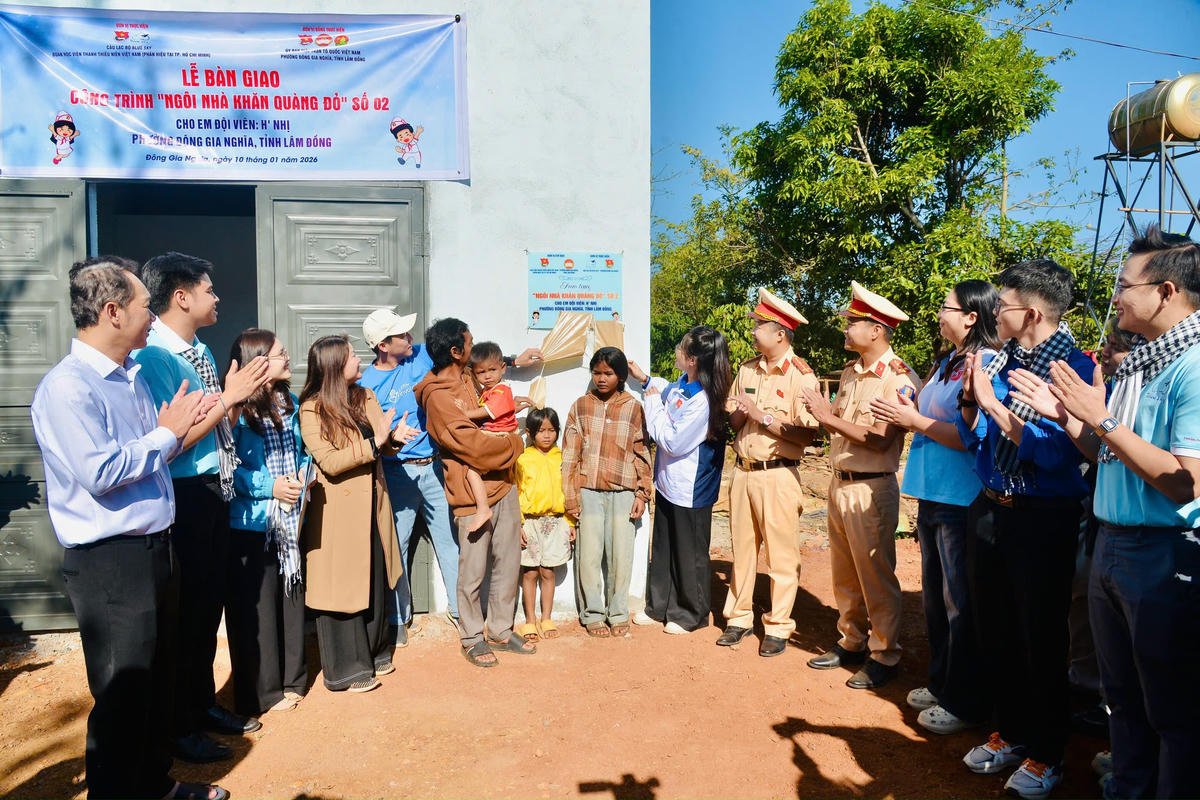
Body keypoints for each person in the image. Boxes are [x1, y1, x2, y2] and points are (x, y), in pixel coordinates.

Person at [1006, 227, 1200, 799]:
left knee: (1170, 707)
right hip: (1113, 544)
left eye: (1124, 284)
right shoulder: (1144, 362)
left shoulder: (1192, 366)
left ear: (1165, 291)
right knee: (1123, 698)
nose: (1114, 296)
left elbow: (1186, 482)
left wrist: (1102, 417)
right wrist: (1070, 417)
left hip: (1161, 554)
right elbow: (1106, 453)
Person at [31, 256, 227, 800]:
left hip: (154, 549)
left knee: (157, 683)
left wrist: (179, 430)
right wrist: (167, 435)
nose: (152, 317)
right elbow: (100, 472)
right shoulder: (68, 388)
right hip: (111, 562)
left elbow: (153, 455)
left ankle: (154, 785)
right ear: (113, 312)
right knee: (124, 695)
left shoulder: (133, 376)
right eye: (145, 306)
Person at [952, 259, 1094, 799]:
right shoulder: (1002, 359)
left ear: (1031, 312)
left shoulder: (1076, 368)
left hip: (1042, 518)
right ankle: (1010, 732)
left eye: (1003, 303)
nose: (994, 311)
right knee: (996, 628)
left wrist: (993, 405)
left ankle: (1047, 752)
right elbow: (976, 437)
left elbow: (1059, 455)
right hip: (991, 506)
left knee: (1040, 636)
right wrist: (974, 401)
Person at [134, 252, 269, 763]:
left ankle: (201, 704)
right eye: (209, 290)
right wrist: (229, 398)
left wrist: (235, 399)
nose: (217, 298)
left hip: (215, 486)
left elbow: (216, 427)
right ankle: (179, 724)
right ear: (182, 297)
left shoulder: (202, 351)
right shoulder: (156, 357)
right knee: (185, 615)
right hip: (185, 493)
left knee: (207, 608)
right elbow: (172, 442)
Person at [869, 280, 999, 730]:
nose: (939, 314)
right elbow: (930, 416)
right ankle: (943, 682)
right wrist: (912, 406)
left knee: (959, 602)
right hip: (931, 492)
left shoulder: (985, 364)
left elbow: (970, 435)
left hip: (960, 497)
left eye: (947, 307)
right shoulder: (947, 361)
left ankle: (963, 699)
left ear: (971, 317)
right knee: (936, 599)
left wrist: (914, 419)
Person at [802, 281, 920, 689]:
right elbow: (840, 424)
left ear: (876, 330)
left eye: (853, 322)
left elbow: (882, 439)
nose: (846, 328)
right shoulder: (852, 372)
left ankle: (885, 653)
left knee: (875, 574)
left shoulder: (898, 378)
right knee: (845, 572)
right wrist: (824, 415)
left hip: (871, 488)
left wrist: (826, 416)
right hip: (840, 483)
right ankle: (851, 640)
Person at [414, 318, 533, 667]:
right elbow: (473, 447)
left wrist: (512, 362)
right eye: (469, 343)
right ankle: (471, 637)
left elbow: (489, 366)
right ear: (455, 351)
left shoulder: (467, 374)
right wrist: (515, 444)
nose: (472, 346)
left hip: (504, 484)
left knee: (508, 562)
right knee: (473, 570)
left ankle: (500, 629)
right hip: (471, 494)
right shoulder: (438, 397)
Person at [298, 335, 406, 693]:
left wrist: (394, 438)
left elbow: (382, 443)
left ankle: (375, 651)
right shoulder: (312, 409)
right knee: (341, 587)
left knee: (374, 575)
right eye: (350, 356)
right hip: (338, 513)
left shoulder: (364, 396)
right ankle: (346, 670)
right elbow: (329, 461)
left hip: (373, 504)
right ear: (333, 366)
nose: (359, 360)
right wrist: (375, 443)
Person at [718, 288, 819, 656]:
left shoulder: (801, 375)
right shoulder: (747, 368)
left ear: (780, 334)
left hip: (778, 474)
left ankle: (778, 625)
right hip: (743, 472)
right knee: (742, 551)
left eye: (759, 325)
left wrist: (763, 416)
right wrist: (741, 412)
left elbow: (808, 434)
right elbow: (733, 421)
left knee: (781, 556)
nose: (753, 331)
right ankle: (739, 618)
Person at [226, 329, 311, 715]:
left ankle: (293, 679)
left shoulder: (290, 402)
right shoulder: (237, 409)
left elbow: (301, 451)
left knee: (291, 601)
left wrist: (303, 474)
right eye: (280, 353)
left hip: (290, 521)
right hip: (251, 524)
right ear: (258, 361)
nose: (287, 358)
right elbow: (229, 468)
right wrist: (270, 486)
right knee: (257, 612)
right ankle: (262, 692)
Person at [358, 307, 455, 643]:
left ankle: (462, 613)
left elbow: (460, 356)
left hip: (434, 468)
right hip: (396, 474)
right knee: (395, 548)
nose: (409, 337)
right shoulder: (366, 386)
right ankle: (398, 619)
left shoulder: (421, 355)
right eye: (401, 334)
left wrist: (511, 362)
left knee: (450, 542)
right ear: (383, 345)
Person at [628, 325, 731, 634]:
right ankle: (659, 606)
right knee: (664, 548)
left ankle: (691, 613)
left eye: (681, 349)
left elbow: (672, 442)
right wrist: (645, 380)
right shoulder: (685, 383)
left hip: (691, 487)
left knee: (689, 553)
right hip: (668, 483)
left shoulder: (704, 400)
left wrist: (651, 404)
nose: (677, 351)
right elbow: (666, 391)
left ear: (693, 360)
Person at [562, 346, 653, 638]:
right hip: (588, 490)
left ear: (621, 376)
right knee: (588, 556)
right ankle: (592, 613)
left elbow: (642, 452)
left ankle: (618, 612)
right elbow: (569, 455)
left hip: (623, 491)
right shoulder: (580, 406)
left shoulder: (633, 407)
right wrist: (571, 496)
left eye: (609, 373)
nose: (601, 379)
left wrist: (642, 493)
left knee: (620, 557)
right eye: (597, 373)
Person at [513, 407, 573, 641]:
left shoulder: (563, 458)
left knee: (548, 571)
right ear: (529, 433)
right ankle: (530, 620)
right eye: (541, 431)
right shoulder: (523, 460)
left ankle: (546, 618)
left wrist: (570, 522)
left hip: (556, 522)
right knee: (529, 572)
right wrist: (518, 524)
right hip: (530, 522)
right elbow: (517, 491)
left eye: (551, 430)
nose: (547, 435)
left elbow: (569, 490)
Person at [458, 340, 523, 532]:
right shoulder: (490, 390)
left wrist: (465, 414)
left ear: (503, 368)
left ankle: (482, 508)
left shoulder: (502, 390)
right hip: (494, 433)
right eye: (481, 372)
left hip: (498, 434)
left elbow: (487, 411)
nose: (487, 376)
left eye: (492, 370)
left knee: (471, 470)